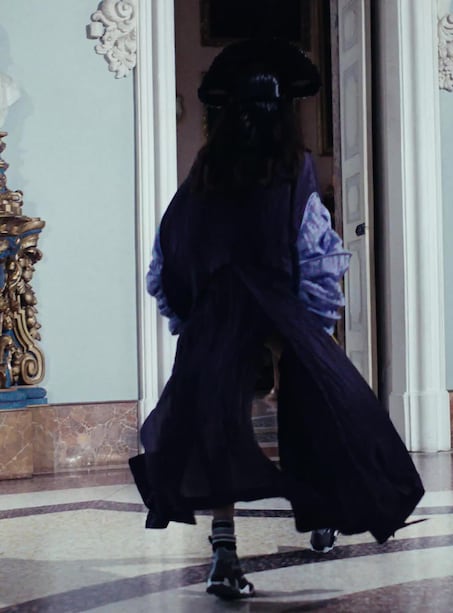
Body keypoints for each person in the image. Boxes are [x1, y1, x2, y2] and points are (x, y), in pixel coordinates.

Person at [130, 38, 424, 601]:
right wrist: (312, 328)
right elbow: (314, 252)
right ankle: (323, 513)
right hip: (277, 307)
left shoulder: (205, 174)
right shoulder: (294, 169)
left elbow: (170, 251)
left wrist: (189, 316)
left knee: (216, 418)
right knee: (326, 403)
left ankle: (224, 546)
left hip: (218, 312)